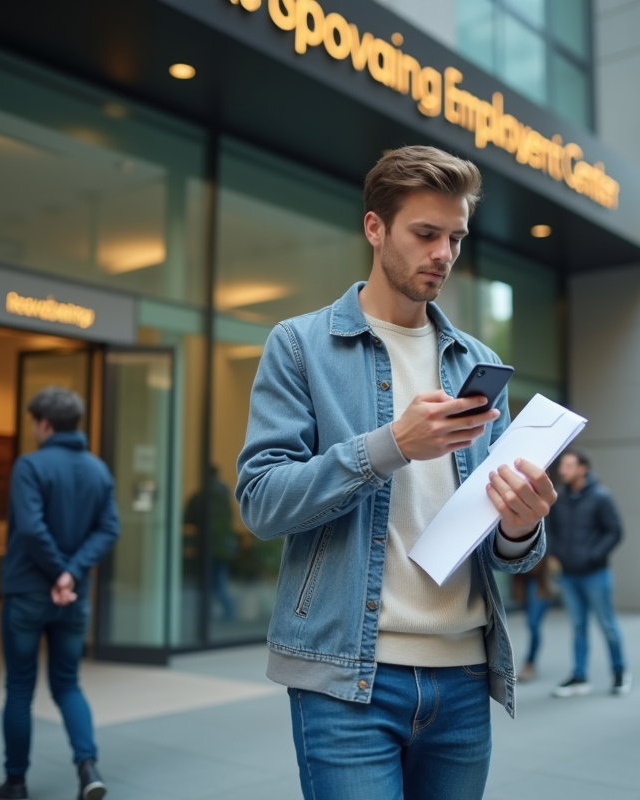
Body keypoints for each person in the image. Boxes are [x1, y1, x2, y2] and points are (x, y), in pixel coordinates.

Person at [235, 146, 553, 799]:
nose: (444, 252)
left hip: (464, 679)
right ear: (375, 228)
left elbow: (505, 553)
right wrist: (389, 445)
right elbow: (261, 502)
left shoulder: (478, 360)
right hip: (347, 680)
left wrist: (521, 526)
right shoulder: (300, 345)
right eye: (426, 233)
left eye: (456, 237)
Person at [0, 388, 118, 800]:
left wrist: (59, 572)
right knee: (67, 685)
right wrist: (72, 574)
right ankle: (88, 768)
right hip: (74, 597)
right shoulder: (98, 470)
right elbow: (108, 529)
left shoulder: (31, 465)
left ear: (44, 424)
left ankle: (15, 782)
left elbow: (30, 527)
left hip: (28, 591)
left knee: (20, 688)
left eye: (33, 424)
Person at [546, 449, 630, 698]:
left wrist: (593, 556)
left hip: (595, 574)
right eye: (562, 466)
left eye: (569, 465)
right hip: (568, 575)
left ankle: (620, 673)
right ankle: (579, 677)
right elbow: (551, 530)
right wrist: (555, 555)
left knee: (607, 625)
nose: (563, 470)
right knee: (578, 626)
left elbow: (615, 532)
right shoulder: (558, 497)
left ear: (583, 469)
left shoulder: (602, 497)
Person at [183, 464, 239, 621]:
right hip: (224, 546)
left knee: (208, 584)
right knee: (220, 581)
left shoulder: (200, 496)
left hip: (207, 546)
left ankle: (206, 618)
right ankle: (228, 613)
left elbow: (188, 518)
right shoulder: (225, 496)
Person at [511, 553, 552, 683]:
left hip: (541, 579)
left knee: (533, 624)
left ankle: (530, 663)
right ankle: (530, 663)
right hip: (523, 578)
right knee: (532, 623)